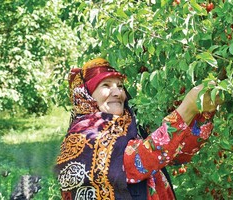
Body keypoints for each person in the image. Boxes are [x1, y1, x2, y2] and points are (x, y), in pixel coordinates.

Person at [55, 58, 220, 199]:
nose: (117, 93)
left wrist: (202, 112)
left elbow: (175, 154)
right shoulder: (84, 136)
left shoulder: (128, 127)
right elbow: (138, 161)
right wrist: (187, 109)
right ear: (87, 95)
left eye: (120, 86)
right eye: (106, 85)